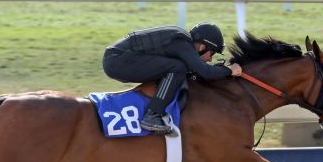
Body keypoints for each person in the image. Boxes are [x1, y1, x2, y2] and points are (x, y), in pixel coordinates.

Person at [102, 23, 242, 135]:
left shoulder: (181, 42)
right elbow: (205, 72)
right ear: (202, 46)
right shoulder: (182, 44)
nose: (210, 59)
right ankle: (152, 115)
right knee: (178, 67)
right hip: (117, 61)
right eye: (211, 53)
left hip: (118, 59)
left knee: (180, 68)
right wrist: (229, 70)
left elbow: (197, 71)